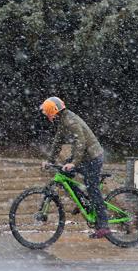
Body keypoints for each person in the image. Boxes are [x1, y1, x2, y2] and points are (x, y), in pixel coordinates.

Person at [40, 96, 110, 238]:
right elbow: (57, 142)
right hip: (84, 155)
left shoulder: (70, 121)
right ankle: (83, 201)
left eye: (47, 113)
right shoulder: (62, 120)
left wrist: (74, 163)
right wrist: (50, 160)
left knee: (92, 188)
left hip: (92, 157)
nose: (47, 116)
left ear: (52, 111)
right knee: (64, 174)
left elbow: (81, 143)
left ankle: (104, 226)